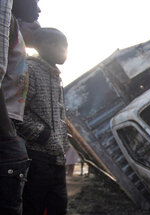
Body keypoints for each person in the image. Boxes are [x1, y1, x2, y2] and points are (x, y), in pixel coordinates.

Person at [16, 27, 69, 215]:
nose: (66, 51)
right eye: (62, 46)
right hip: (36, 157)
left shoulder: (55, 77)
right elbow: (16, 113)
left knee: (58, 206)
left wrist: (63, 142)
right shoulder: (29, 70)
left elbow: (58, 117)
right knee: (34, 206)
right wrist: (45, 136)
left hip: (57, 158)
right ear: (45, 45)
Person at [0, 0, 40, 214]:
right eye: (37, 1)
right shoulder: (6, 20)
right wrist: (9, 137)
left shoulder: (12, 24)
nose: (39, 8)